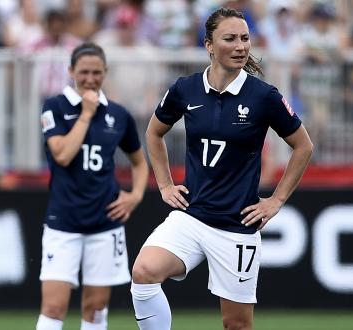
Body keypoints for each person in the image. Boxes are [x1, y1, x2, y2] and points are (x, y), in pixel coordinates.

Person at [130, 7, 313, 330]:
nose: (241, 46)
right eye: (230, 38)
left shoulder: (263, 96)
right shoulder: (185, 89)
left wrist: (276, 200)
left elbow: (303, 146)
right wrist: (165, 185)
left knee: (237, 325)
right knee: (143, 273)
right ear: (209, 45)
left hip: (236, 226)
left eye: (245, 38)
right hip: (192, 216)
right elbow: (153, 133)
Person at [37, 42, 149, 330]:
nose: (90, 79)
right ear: (71, 71)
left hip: (105, 223)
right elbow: (62, 154)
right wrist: (86, 114)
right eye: (84, 72)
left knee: (96, 308)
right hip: (63, 222)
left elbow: (139, 162)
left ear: (105, 73)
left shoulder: (118, 115)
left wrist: (135, 196)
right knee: (53, 307)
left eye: (97, 73)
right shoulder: (55, 107)